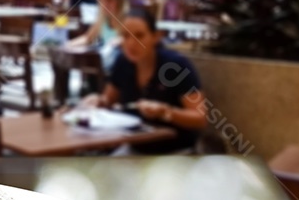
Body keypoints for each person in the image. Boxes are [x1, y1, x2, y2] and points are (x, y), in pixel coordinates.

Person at [87, 9, 208, 153]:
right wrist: (98, 101)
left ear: (155, 37)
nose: (131, 44)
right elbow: (108, 100)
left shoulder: (174, 67)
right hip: (135, 146)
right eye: (126, 36)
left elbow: (200, 119)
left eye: (139, 36)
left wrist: (165, 112)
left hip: (175, 150)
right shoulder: (123, 62)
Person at [67, 0, 128, 72]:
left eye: (109, 0)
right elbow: (87, 38)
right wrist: (68, 45)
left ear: (120, 2)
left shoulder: (128, 20)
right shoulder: (103, 20)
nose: (105, 4)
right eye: (102, 0)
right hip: (104, 62)